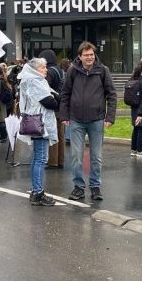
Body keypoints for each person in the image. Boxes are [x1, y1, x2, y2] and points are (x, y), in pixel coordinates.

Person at [60, 41, 117, 201]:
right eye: (86, 55)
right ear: (80, 56)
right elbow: (65, 94)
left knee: (96, 156)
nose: (89, 57)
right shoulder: (73, 71)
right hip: (76, 120)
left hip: (97, 120)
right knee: (76, 156)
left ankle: (95, 187)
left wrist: (110, 117)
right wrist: (64, 116)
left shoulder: (103, 71)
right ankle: (78, 187)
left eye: (92, 54)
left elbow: (111, 94)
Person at [18, 58, 61, 206]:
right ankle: (37, 192)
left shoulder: (31, 80)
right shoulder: (34, 81)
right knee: (41, 158)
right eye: (43, 67)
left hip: (37, 121)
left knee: (37, 157)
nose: (46, 69)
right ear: (35, 69)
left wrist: (55, 98)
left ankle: (36, 190)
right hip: (40, 123)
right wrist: (56, 99)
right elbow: (49, 101)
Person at [39, 49, 65, 169]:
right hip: (61, 106)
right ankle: (60, 161)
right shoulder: (60, 70)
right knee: (60, 135)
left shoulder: (49, 72)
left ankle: (52, 162)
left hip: (53, 106)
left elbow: (44, 88)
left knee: (52, 135)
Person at [127, 64, 142, 157]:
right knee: (141, 128)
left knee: (136, 128)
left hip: (134, 107)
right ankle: (140, 150)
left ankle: (133, 149)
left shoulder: (133, 79)